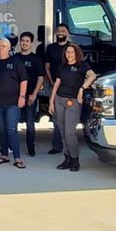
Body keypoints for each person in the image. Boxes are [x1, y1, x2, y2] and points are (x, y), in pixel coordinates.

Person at [49, 43, 97, 172]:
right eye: (67, 52)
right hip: (59, 100)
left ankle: (75, 159)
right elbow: (56, 84)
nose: (69, 54)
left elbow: (92, 76)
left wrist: (82, 88)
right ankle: (67, 157)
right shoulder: (63, 66)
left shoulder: (82, 65)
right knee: (63, 131)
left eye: (72, 52)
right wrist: (51, 101)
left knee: (70, 132)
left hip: (73, 101)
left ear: (77, 53)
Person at [0, 37, 28, 169]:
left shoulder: (15, 62)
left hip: (12, 102)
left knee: (11, 129)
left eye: (3, 46)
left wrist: (22, 96)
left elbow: (23, 80)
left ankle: (17, 158)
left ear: (9, 48)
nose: (1, 48)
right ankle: (4, 155)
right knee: (2, 129)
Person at [44, 23, 71, 155]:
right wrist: (51, 81)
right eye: (58, 31)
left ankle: (68, 146)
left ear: (67, 33)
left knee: (69, 118)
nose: (60, 33)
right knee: (56, 117)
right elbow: (47, 67)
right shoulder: (50, 48)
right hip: (53, 86)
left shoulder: (72, 48)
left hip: (69, 87)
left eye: (63, 31)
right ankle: (57, 146)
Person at [18, 31, 45, 157]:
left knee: (30, 122)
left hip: (30, 96)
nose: (24, 43)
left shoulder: (36, 59)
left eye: (27, 41)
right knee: (12, 123)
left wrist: (34, 95)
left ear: (31, 43)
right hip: (16, 96)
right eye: (22, 40)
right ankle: (10, 147)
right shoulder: (15, 58)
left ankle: (30, 147)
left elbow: (40, 78)